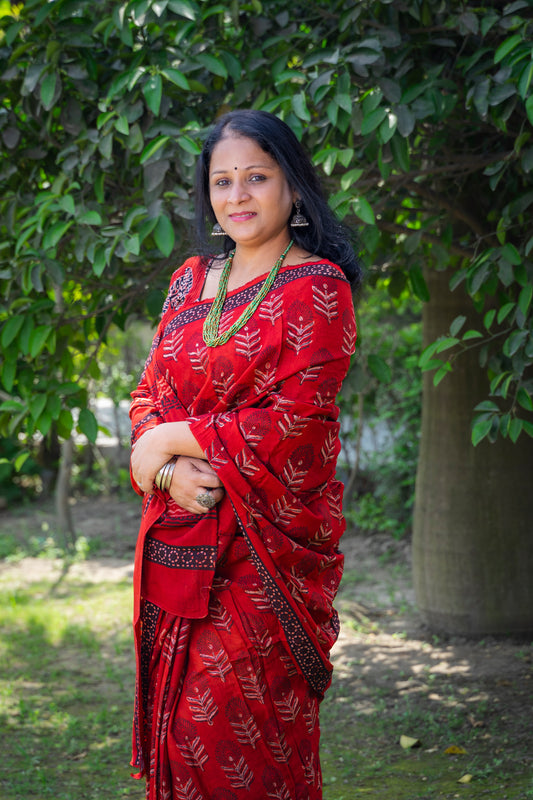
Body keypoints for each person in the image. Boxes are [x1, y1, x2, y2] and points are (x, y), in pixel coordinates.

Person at [129, 108, 362, 800]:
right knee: (180, 734)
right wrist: (166, 471)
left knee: (239, 735)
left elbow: (297, 422)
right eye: (221, 181)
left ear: (292, 185)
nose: (236, 197)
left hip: (263, 564)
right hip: (181, 546)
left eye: (255, 177)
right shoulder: (188, 281)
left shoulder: (318, 287)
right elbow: (148, 393)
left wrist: (167, 441)